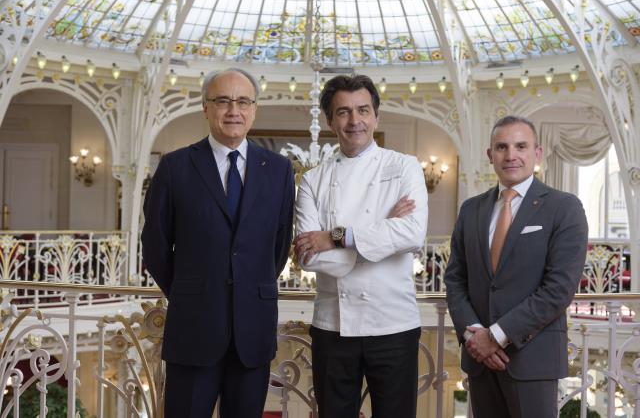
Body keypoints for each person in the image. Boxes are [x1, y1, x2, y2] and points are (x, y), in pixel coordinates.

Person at [141, 68, 295, 418]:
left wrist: (247, 287)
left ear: (254, 109)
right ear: (205, 108)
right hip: (193, 328)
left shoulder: (279, 169)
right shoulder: (175, 166)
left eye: (242, 101)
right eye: (222, 101)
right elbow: (155, 245)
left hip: (252, 333)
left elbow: (280, 244)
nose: (233, 111)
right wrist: (188, 290)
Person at [294, 75, 428, 418]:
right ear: (329, 120)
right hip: (332, 326)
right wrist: (384, 230)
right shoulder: (312, 180)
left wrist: (335, 237)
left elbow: (412, 234)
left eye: (363, 110)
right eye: (343, 112)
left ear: (376, 115)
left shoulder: (404, 167)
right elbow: (309, 257)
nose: (355, 121)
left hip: (393, 323)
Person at [444, 115, 588, 418]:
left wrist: (495, 336)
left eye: (521, 146)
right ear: (490, 155)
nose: (511, 155)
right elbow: (456, 279)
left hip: (531, 359)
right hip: (480, 359)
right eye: (502, 147)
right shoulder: (471, 209)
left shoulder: (564, 207)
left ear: (538, 153)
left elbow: (559, 289)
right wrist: (474, 338)